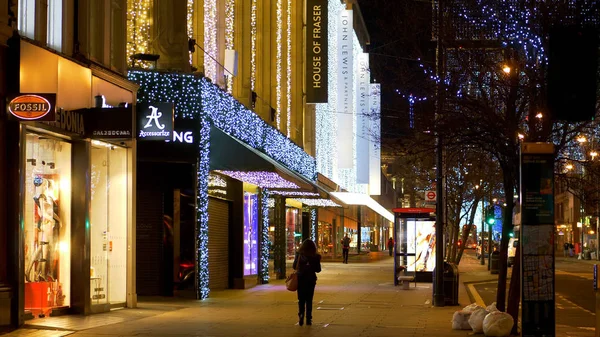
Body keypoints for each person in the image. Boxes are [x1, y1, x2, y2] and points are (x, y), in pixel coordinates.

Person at [292, 239, 321, 326]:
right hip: (311, 280)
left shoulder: (299, 255)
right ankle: (309, 318)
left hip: (301, 279)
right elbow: (318, 269)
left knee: (301, 299)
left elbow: (294, 266)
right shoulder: (315, 256)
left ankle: (301, 315)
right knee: (309, 299)